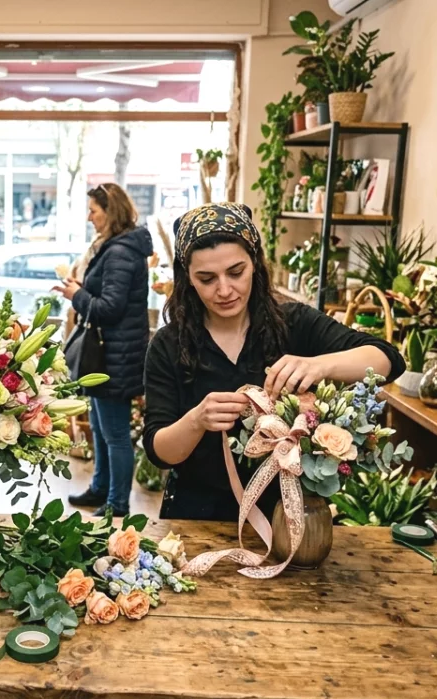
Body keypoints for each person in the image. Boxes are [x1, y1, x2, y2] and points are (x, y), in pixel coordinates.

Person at [143, 202, 404, 521]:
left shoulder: (295, 324)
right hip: (196, 514)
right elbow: (160, 452)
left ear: (254, 262)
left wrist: (319, 365)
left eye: (236, 272)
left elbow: (387, 359)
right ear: (188, 279)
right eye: (207, 278)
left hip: (287, 513)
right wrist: (196, 421)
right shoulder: (169, 345)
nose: (225, 290)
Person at [54, 183, 152, 517]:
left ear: (110, 212)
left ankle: (117, 503)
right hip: (109, 353)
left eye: (93, 211)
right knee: (99, 426)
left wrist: (76, 296)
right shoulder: (117, 248)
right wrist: (81, 289)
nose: (89, 217)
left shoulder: (120, 252)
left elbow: (110, 307)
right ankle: (100, 489)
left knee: (115, 434)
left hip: (115, 357)